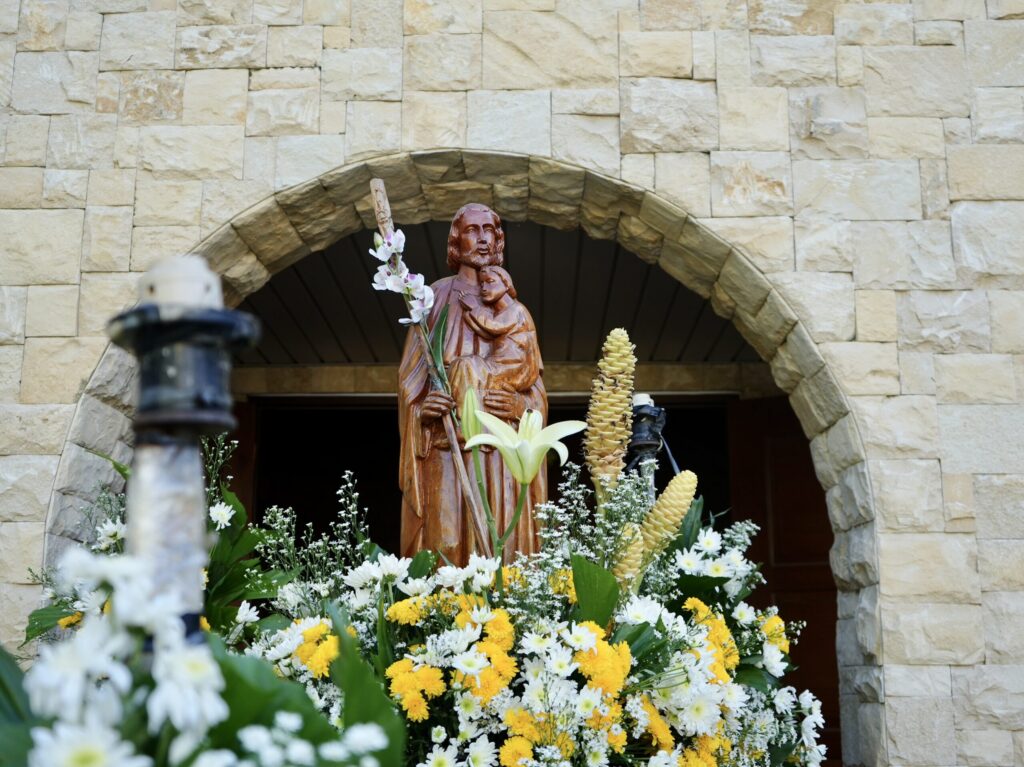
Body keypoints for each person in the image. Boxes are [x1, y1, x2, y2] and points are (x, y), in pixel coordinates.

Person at [397, 204, 547, 565]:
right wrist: (421, 411)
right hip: (448, 449)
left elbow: (534, 389)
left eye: (489, 231)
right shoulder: (432, 300)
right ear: (456, 241)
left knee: (506, 555)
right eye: (471, 230)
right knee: (444, 550)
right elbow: (410, 381)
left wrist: (519, 408)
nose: (481, 238)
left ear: (499, 240)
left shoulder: (514, 308)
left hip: (503, 453)